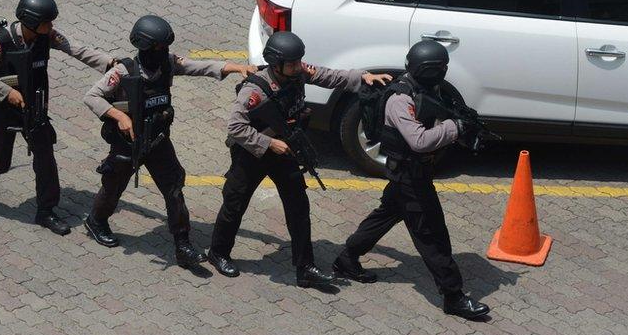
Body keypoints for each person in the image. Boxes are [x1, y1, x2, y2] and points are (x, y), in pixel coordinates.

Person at [208, 31, 392, 288]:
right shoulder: (255, 91)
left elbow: (328, 76)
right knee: (235, 204)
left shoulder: (296, 72)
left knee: (298, 207)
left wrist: (362, 78)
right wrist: (269, 143)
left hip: (285, 151)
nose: (298, 67)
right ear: (275, 64)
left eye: (298, 62)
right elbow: (235, 128)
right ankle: (218, 253)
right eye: (292, 64)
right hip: (252, 154)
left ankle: (305, 267)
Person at [334, 40, 490, 319]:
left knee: (386, 214)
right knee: (432, 236)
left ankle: (347, 258)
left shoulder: (427, 89)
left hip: (411, 173)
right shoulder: (400, 100)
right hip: (410, 175)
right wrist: (454, 128)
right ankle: (453, 296)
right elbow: (419, 141)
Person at [82, 15, 255, 268]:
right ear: (144, 47)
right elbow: (92, 96)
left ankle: (183, 246)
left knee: (174, 190)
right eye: (158, 48)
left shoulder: (168, 64)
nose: (164, 52)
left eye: (165, 48)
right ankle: (96, 221)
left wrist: (235, 67)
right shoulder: (123, 71)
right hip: (127, 143)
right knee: (113, 187)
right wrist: (119, 115)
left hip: (159, 141)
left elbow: (200, 67)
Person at [0, 0, 116, 234]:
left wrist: (110, 63)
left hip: (34, 106)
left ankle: (46, 211)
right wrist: (6, 92)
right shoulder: (1, 42)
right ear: (30, 22)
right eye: (46, 22)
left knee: (45, 156)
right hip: (1, 109)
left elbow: (77, 49)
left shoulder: (46, 36)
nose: (51, 27)